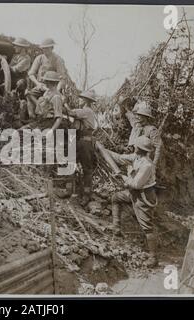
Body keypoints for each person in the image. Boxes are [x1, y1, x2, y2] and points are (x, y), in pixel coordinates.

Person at [106, 135, 159, 267]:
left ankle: (153, 257)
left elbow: (136, 184)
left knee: (147, 227)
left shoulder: (147, 164)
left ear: (140, 149)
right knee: (116, 198)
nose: (134, 147)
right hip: (134, 193)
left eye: (136, 146)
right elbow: (119, 158)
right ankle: (116, 230)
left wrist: (122, 176)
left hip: (144, 196)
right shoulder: (136, 157)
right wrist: (103, 149)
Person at [68, 89, 98, 207]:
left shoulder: (87, 111)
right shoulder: (85, 111)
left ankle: (86, 195)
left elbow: (71, 112)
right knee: (70, 164)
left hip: (85, 142)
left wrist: (64, 103)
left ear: (86, 100)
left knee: (87, 169)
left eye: (82, 98)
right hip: (79, 140)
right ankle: (70, 190)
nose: (80, 100)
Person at [26, 38, 67, 119]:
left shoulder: (58, 59)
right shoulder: (39, 58)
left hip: (53, 86)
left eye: (47, 48)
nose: (44, 50)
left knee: (54, 100)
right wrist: (38, 84)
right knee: (29, 94)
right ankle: (33, 117)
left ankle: (49, 116)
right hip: (41, 85)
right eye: (43, 48)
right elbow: (31, 74)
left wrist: (56, 90)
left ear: (52, 48)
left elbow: (62, 78)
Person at [126, 100, 162, 165]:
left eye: (140, 115)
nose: (137, 117)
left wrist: (154, 164)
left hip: (148, 160)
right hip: (137, 159)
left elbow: (158, 148)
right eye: (137, 115)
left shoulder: (152, 130)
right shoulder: (137, 128)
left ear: (145, 117)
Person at [9, 38, 32, 122]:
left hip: (20, 79)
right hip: (11, 78)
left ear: (22, 48)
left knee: (20, 84)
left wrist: (7, 66)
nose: (14, 47)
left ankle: (22, 114)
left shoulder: (27, 58)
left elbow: (16, 69)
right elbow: (9, 68)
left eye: (16, 46)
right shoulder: (15, 56)